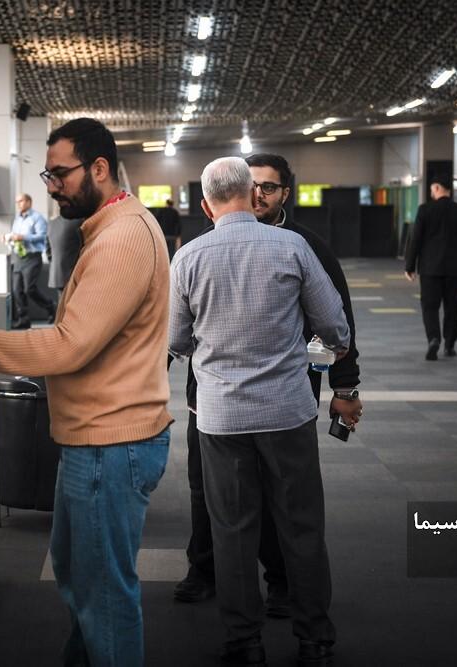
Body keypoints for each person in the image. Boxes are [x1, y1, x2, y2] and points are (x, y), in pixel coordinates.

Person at [0, 118, 173, 667]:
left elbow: (68, 346)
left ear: (99, 168)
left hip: (110, 444)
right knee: (82, 582)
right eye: (47, 175)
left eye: (60, 174)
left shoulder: (122, 237)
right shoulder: (110, 229)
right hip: (97, 440)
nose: (52, 186)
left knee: (104, 597)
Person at [169, 157, 350, 667]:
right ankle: (314, 638)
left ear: (205, 206)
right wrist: (325, 353)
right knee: (301, 526)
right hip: (288, 412)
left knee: (231, 530)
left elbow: (175, 340)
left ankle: (244, 641)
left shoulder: (188, 258)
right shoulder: (292, 246)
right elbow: (334, 325)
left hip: (220, 417)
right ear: (253, 195)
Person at [404, 175, 457, 361]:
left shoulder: (425, 210)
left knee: (429, 306)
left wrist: (410, 266)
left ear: (437, 188)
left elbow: (415, 240)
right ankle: (449, 344)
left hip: (430, 268)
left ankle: (433, 338)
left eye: (431, 189)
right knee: (453, 306)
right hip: (455, 269)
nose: (431, 193)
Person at [7, 193, 56, 328]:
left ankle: (50, 306)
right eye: (17, 202)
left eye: (21, 201)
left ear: (29, 202)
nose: (18, 204)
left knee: (29, 289)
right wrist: (8, 238)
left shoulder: (37, 218)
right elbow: (15, 236)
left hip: (32, 257)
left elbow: (43, 236)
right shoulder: (17, 219)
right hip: (18, 257)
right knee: (17, 290)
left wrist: (23, 237)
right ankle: (23, 319)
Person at [46, 214, 82, 295]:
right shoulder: (80, 221)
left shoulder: (51, 223)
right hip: (75, 273)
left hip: (57, 273)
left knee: (62, 300)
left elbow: (48, 250)